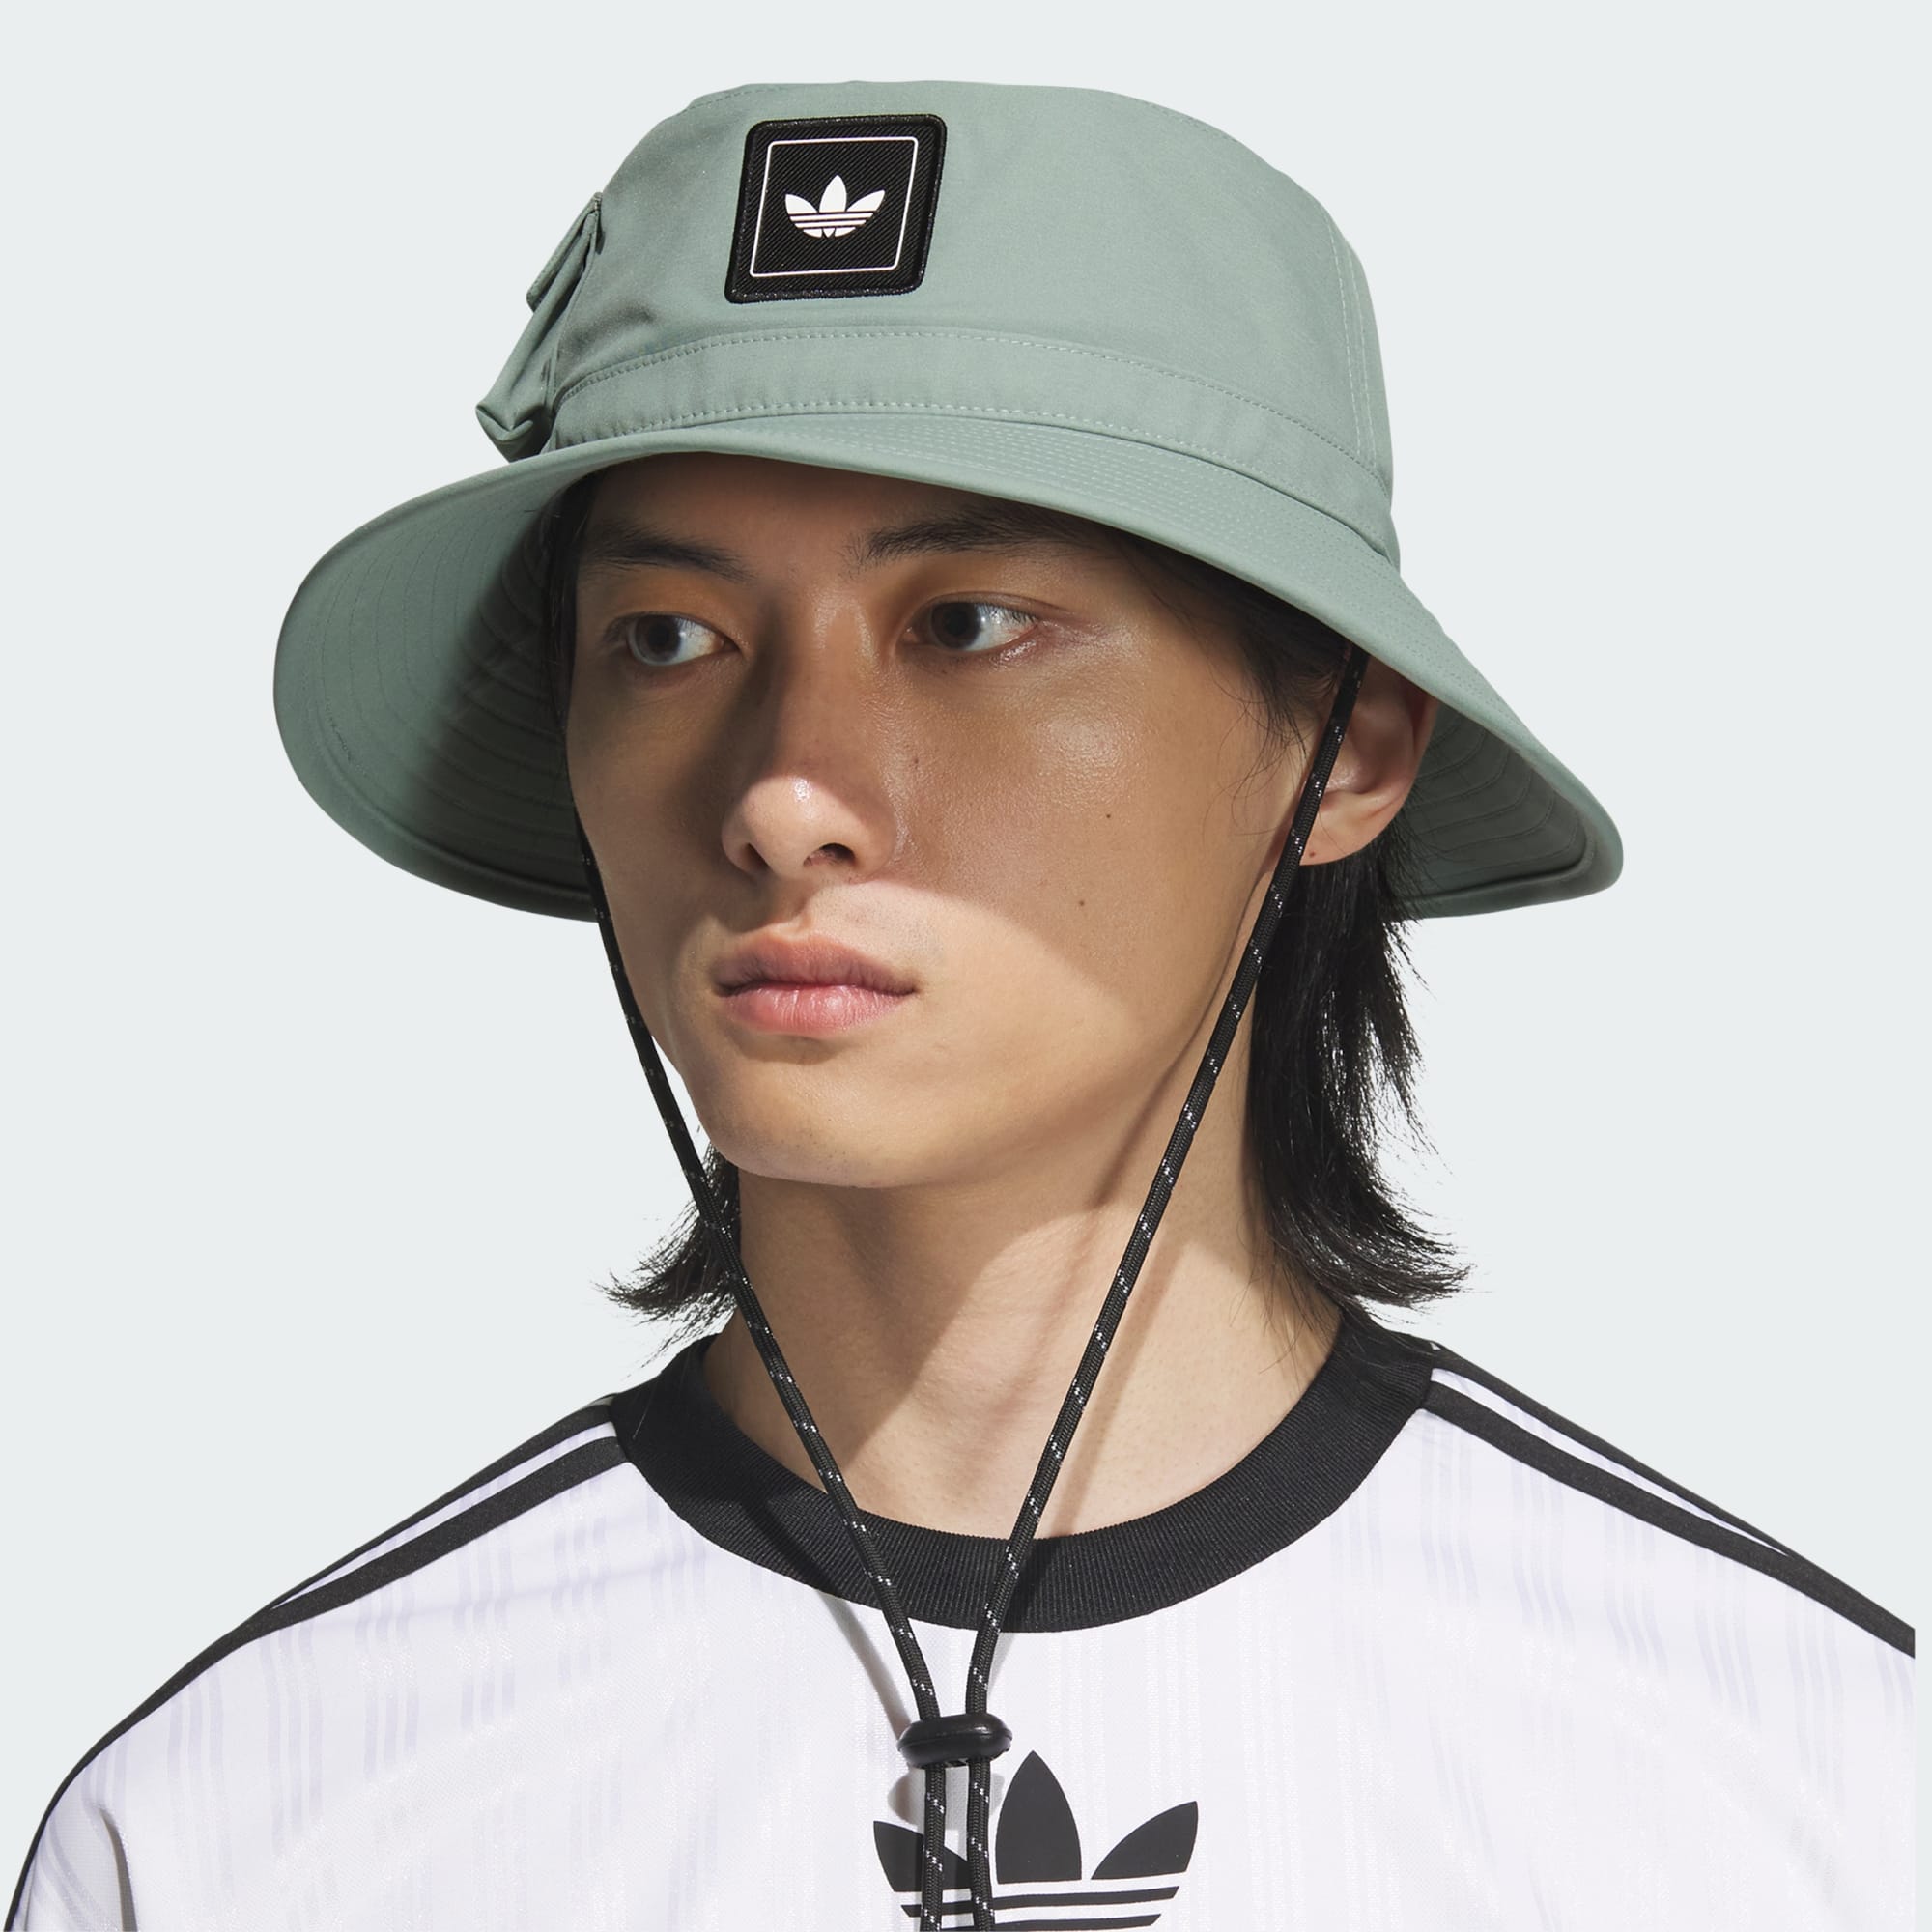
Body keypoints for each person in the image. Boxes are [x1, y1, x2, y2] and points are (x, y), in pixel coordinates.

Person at [8, 77, 1912, 1932]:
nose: (783, 796)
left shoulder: (1816, 1794)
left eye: (970, 626)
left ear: (1347, 744)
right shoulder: (243, 1832)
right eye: (667, 638)